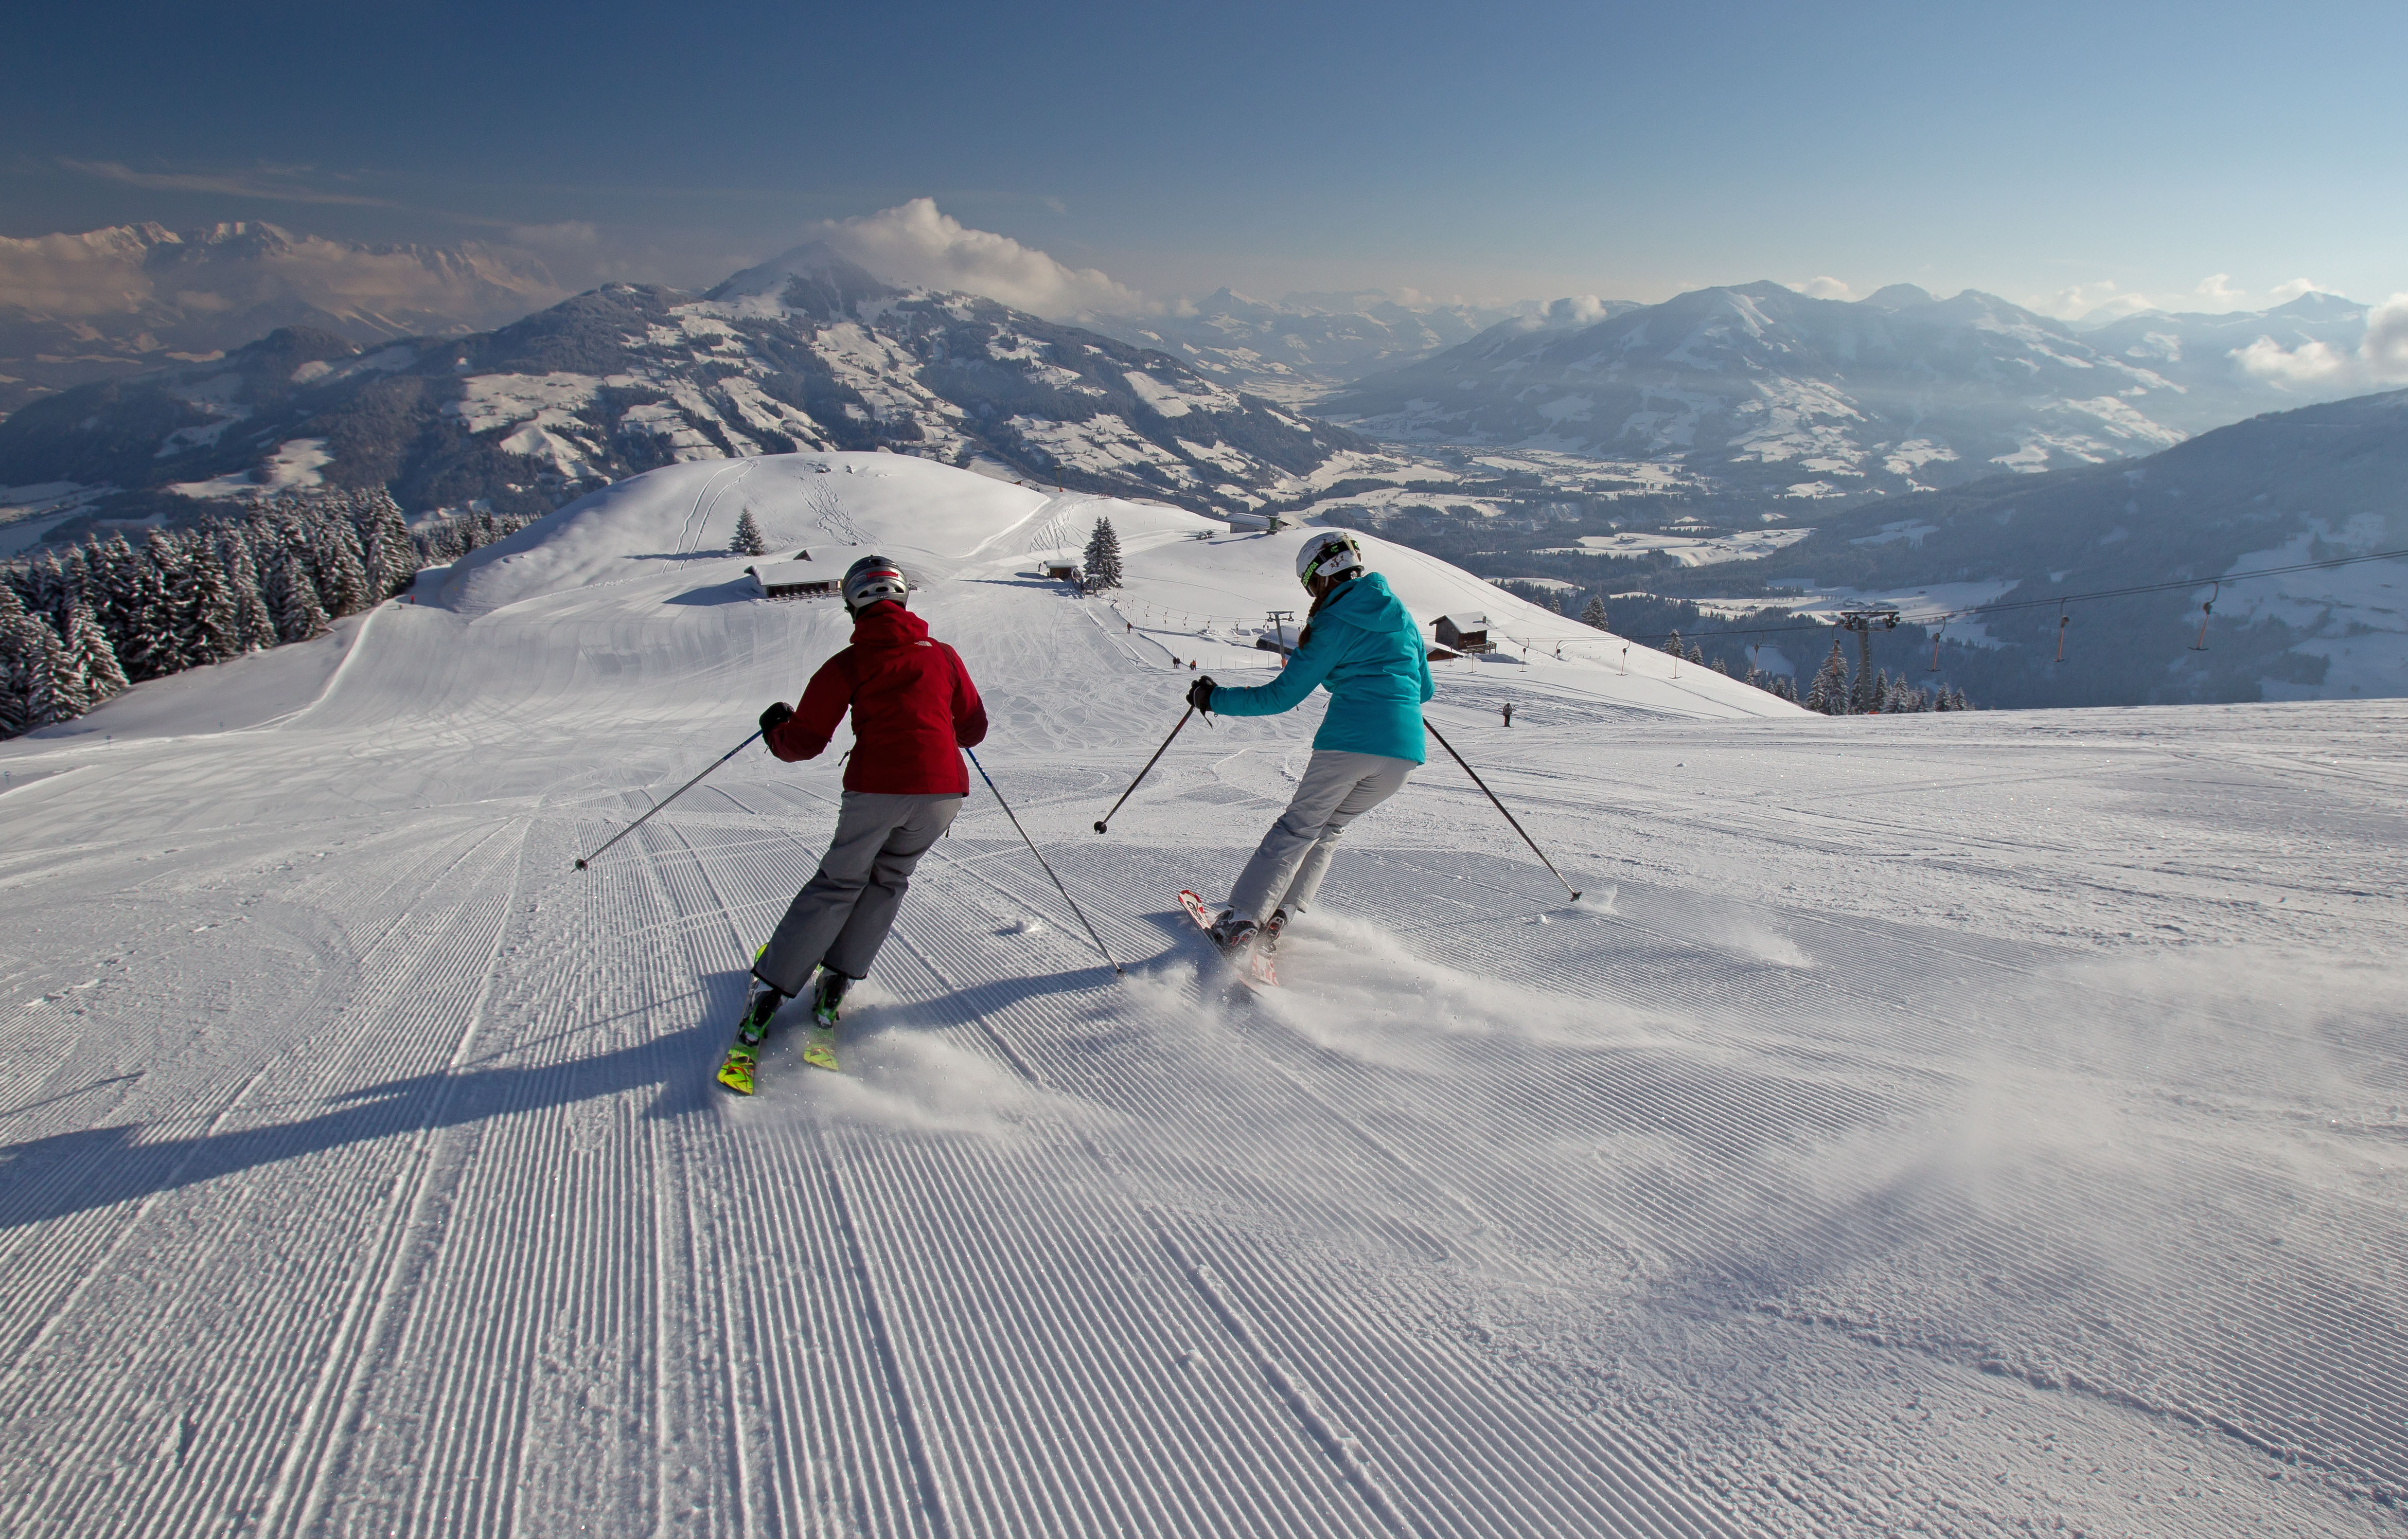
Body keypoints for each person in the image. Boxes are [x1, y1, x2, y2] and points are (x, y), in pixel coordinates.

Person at [722, 554, 987, 1089]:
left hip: (878, 789)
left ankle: (770, 993)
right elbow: (974, 729)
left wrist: (776, 727)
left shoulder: (847, 663)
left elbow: (803, 743)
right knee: (888, 880)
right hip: (943, 793)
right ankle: (835, 985)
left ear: (854, 607)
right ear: (903, 599)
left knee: (840, 882)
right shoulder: (945, 655)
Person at [1186, 531, 1433, 956]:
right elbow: (1424, 690)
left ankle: (1243, 920)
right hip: (1404, 754)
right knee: (1329, 828)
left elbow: (1280, 697)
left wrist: (1214, 699)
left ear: (1319, 577)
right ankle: (1279, 916)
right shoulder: (1401, 615)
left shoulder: (1335, 620)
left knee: (1298, 827)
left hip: (1351, 741)